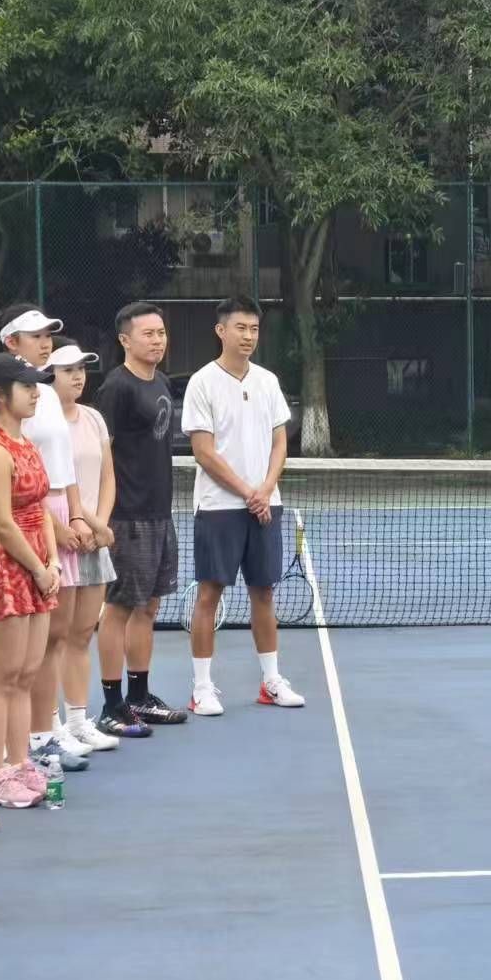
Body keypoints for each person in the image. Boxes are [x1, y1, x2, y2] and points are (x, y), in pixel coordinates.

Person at [181, 295, 305, 715]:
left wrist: (265, 489)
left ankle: (271, 682)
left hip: (265, 504)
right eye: (240, 328)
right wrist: (249, 493)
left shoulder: (267, 381)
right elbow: (204, 452)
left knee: (264, 592)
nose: (248, 336)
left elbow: (279, 442)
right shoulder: (202, 382)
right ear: (221, 331)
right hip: (218, 506)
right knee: (209, 594)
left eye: (254, 328)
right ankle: (201, 689)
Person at [0, 306, 96, 771]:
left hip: (48, 535)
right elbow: (4, 512)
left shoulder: (42, 400)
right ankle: (16, 755)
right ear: (11, 342)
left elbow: (59, 473)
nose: (46, 341)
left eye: (49, 333)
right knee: (11, 670)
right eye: (35, 335)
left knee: (48, 648)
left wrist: (77, 519)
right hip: (21, 546)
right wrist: (44, 553)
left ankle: (41, 738)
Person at [0, 353, 62, 808]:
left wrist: (53, 562)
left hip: (39, 567)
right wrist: (38, 568)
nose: (36, 393)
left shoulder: (27, 444)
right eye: (26, 386)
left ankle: (20, 761)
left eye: (36, 385)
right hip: (8, 571)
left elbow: (41, 508)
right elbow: (1, 523)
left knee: (26, 674)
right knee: (1, 677)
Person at [96, 302, 190, 734]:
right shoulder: (116, 388)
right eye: (148, 334)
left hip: (159, 513)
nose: (157, 340)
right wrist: (102, 515)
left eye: (161, 333)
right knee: (119, 609)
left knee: (149, 607)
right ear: (125, 340)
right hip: (126, 517)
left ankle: (139, 696)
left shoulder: (162, 383)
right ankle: (111, 704)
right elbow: (102, 453)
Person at [47, 338, 125, 751]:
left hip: (95, 540)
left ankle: (78, 721)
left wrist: (100, 525)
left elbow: (108, 477)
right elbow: (45, 487)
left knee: (81, 635)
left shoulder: (93, 418)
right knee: (54, 639)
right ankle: (49, 726)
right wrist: (72, 528)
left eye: (80, 369)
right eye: (67, 370)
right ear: (49, 376)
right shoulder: (40, 422)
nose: (78, 376)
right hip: (60, 540)